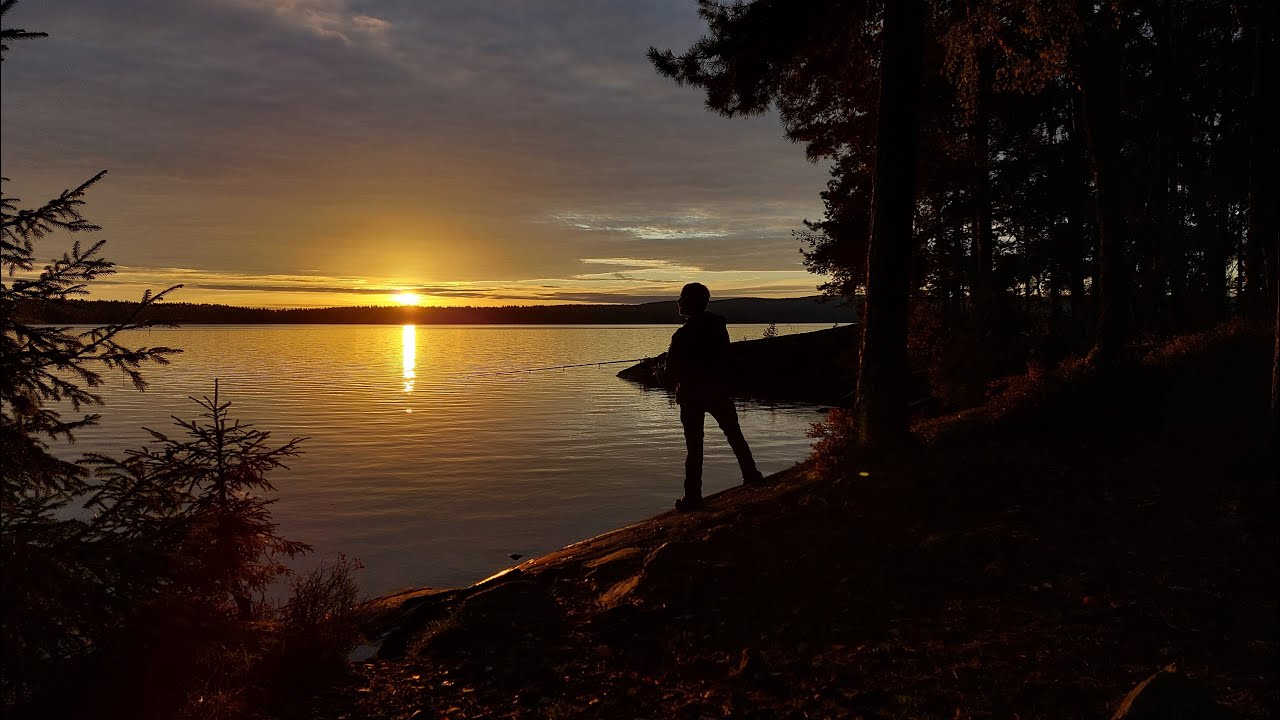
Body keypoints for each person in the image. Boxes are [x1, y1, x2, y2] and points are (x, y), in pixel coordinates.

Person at [660, 282, 764, 511]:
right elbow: (723, 358)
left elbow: (672, 371)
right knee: (734, 435)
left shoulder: (682, 335)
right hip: (719, 390)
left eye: (682, 298)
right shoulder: (718, 327)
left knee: (694, 448)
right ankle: (752, 475)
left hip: (691, 396)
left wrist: (662, 372)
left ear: (690, 302)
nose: (678, 302)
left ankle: (693, 498)